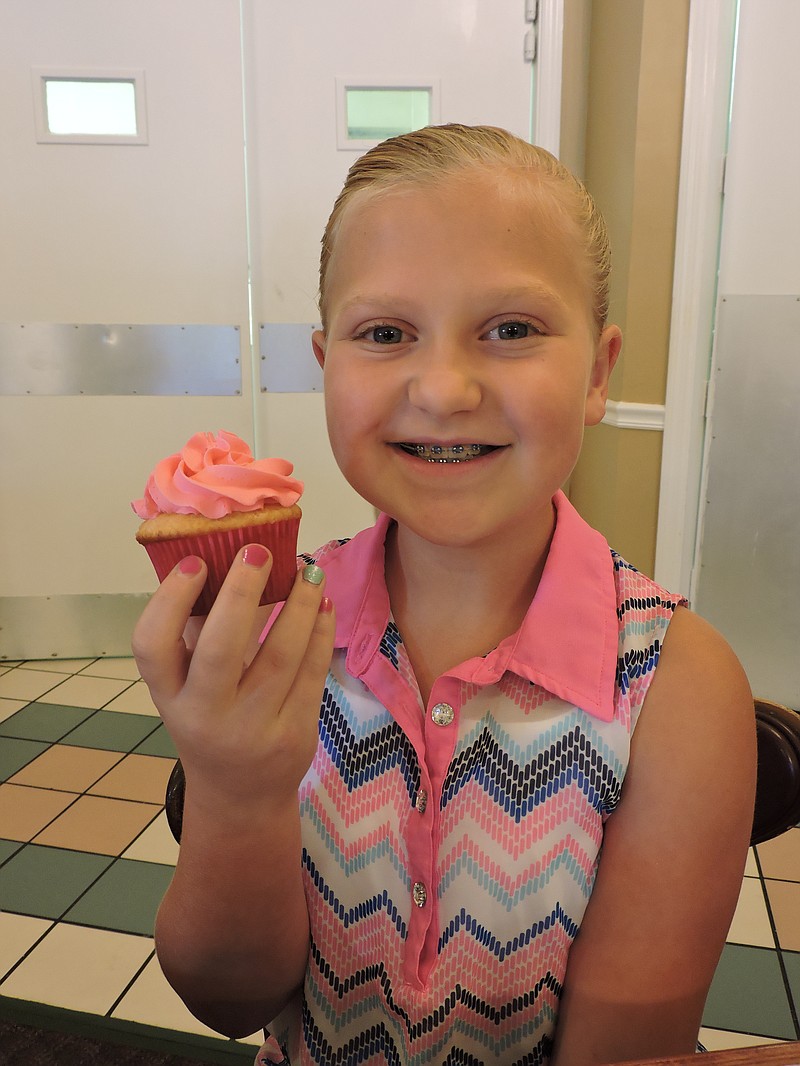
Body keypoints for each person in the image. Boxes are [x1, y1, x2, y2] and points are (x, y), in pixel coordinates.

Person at [132, 124, 756, 1066]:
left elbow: (626, 1050)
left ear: (596, 371)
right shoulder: (274, 636)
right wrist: (234, 786)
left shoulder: (677, 689)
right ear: (324, 360)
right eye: (385, 333)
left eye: (511, 330)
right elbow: (229, 999)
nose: (445, 387)